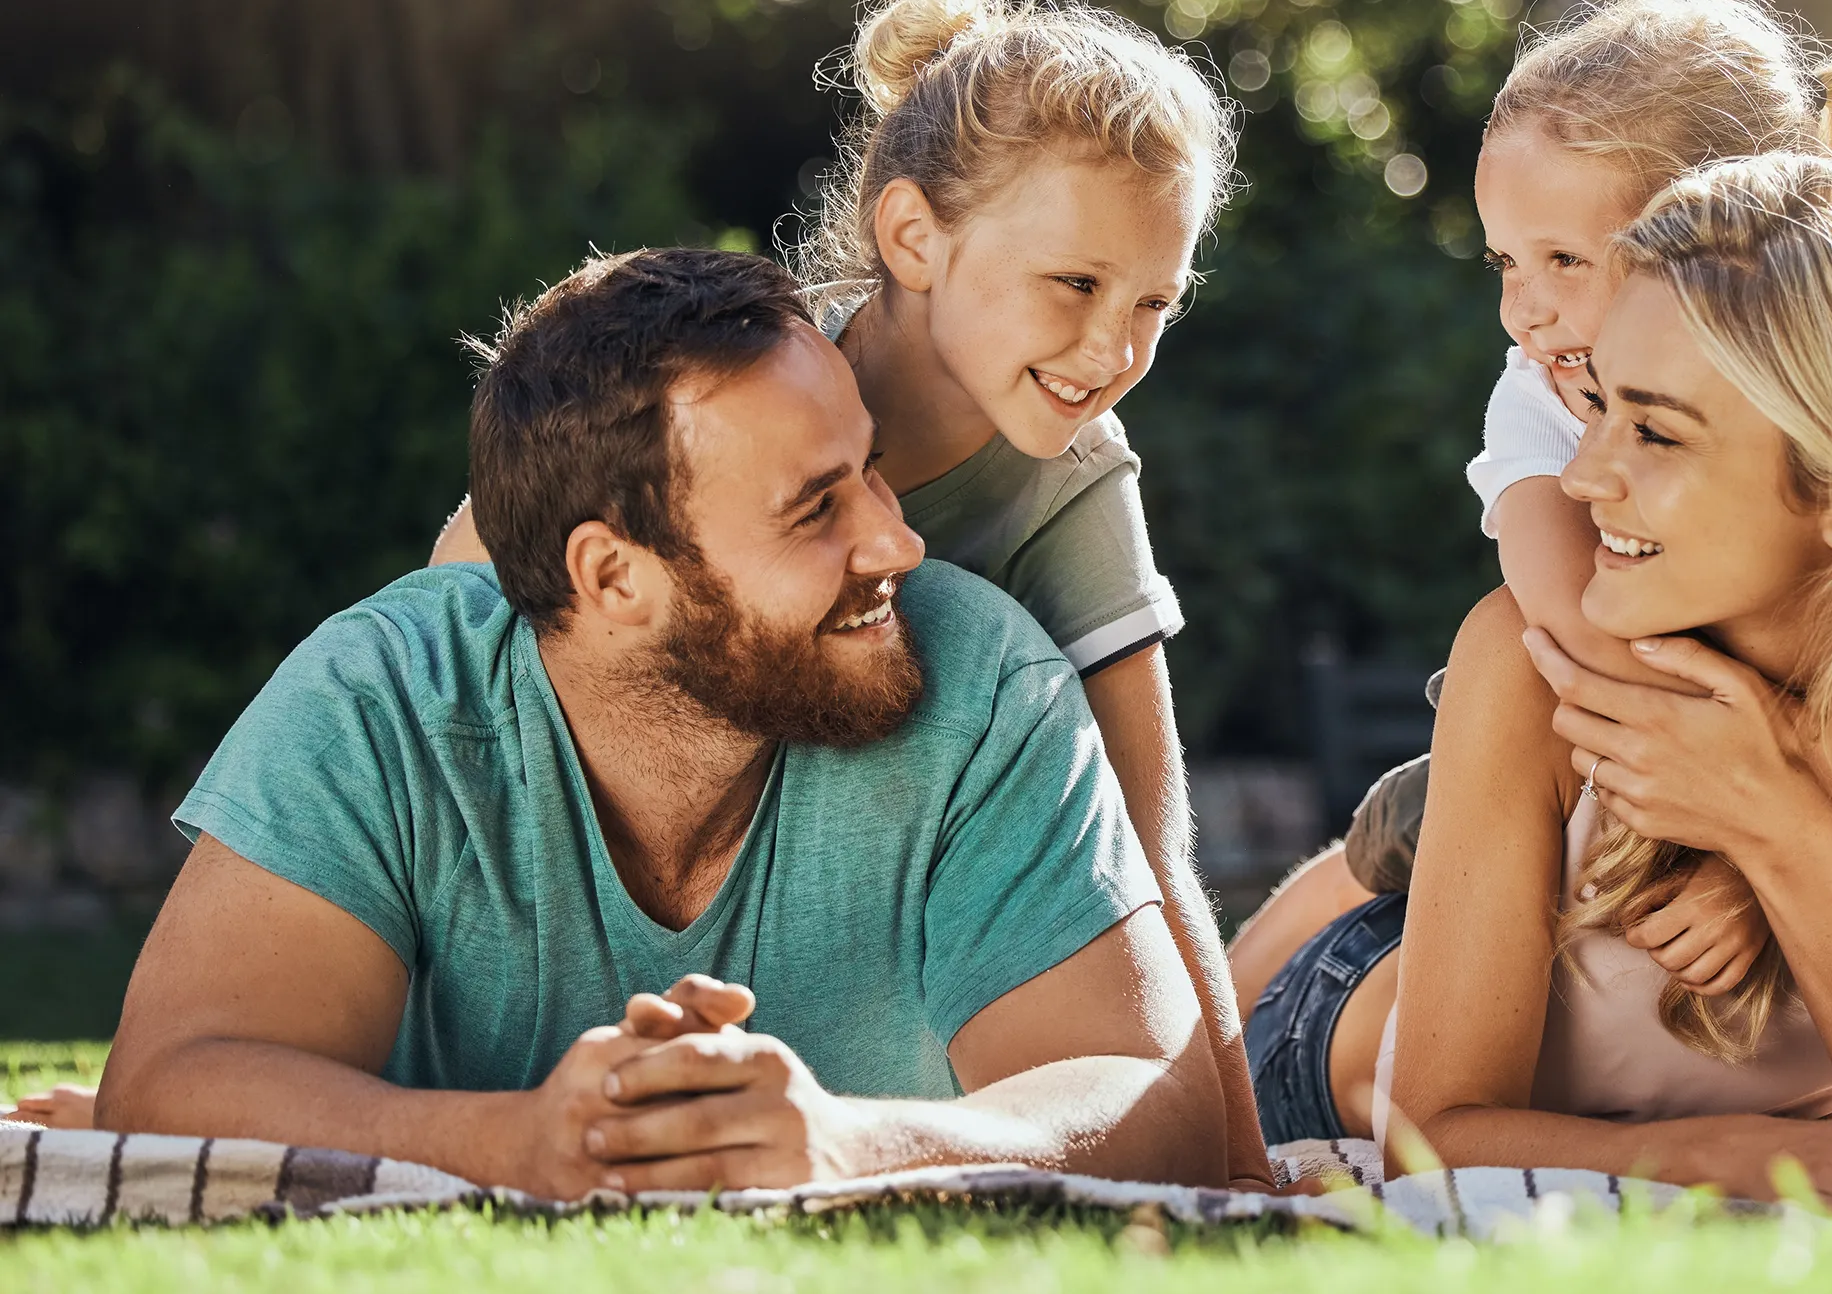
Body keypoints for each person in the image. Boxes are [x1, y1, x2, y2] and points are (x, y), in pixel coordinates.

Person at [93, 247, 1226, 1196]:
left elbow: (1159, 1098)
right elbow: (167, 1080)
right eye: (814, 507)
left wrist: (849, 1142)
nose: (897, 542)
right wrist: (516, 1142)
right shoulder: (382, 697)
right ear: (614, 576)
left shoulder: (982, 685)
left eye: (870, 473)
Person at [433, 0, 1272, 1183]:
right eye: (1076, 281)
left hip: (888, 906)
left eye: (1155, 299)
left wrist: (1241, 1161)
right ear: (915, 238)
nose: (1114, 346)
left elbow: (1153, 843)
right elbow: (456, 618)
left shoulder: (1078, 477)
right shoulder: (745, 375)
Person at [1249, 152, 1832, 1220]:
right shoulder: (1522, 657)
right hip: (1340, 1030)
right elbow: (1439, 1139)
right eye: (1600, 404)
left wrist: (1783, 830)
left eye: (1654, 430)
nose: (1583, 474)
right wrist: (1740, 1154)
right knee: (1301, 942)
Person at [1230, 0, 1832, 1051]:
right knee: (1369, 863)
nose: (1525, 308)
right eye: (1506, 262)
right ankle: (1202, 1043)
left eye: (1565, 259)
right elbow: (1580, 636)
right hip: (1571, 752)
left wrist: (1794, 844)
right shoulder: (1534, 395)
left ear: (1714, 238)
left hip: (1752, 759)